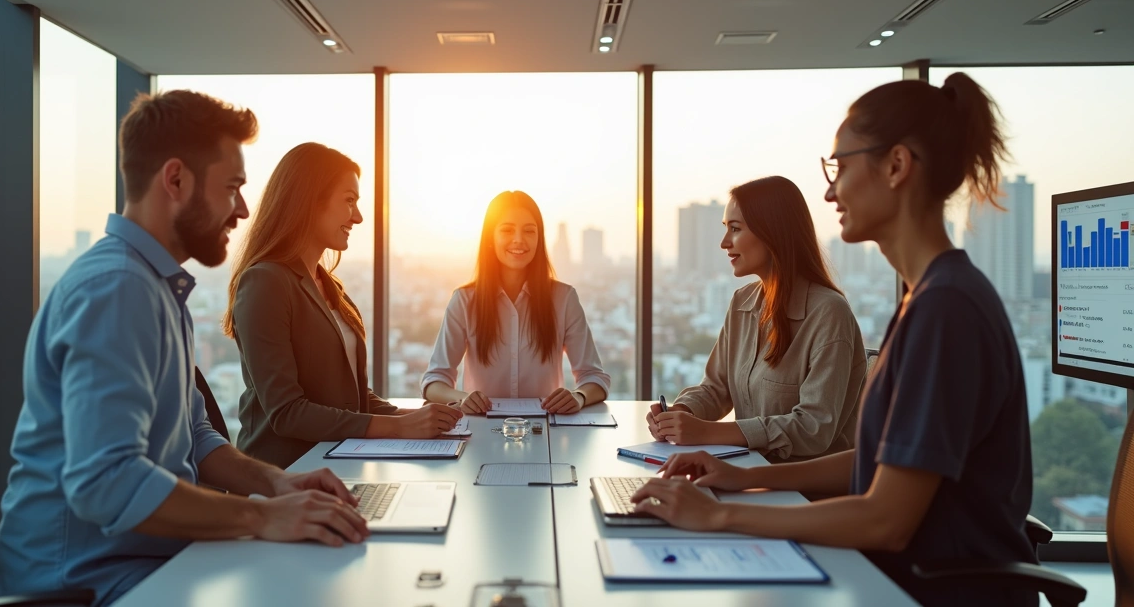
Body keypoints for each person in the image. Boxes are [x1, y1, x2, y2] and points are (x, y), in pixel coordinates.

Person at [631, 73, 1037, 606]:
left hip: (926, 589)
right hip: (892, 573)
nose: (829, 190)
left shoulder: (945, 311)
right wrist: (735, 478)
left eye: (839, 167)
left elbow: (886, 519)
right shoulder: (927, 300)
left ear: (895, 166)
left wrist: (719, 514)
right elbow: (870, 462)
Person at [0, 91, 370, 606]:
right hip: (84, 585)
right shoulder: (116, 289)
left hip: (147, 562)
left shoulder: (157, 286)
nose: (242, 208)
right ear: (175, 180)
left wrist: (279, 484)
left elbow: (194, 437)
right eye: (232, 187)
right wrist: (261, 515)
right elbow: (108, 483)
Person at [223, 143, 460, 468]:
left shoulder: (331, 287)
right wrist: (399, 427)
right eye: (349, 201)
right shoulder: (266, 282)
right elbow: (287, 413)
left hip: (337, 466)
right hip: (285, 477)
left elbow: (352, 398)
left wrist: (416, 417)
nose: (359, 217)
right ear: (309, 202)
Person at [646, 176, 866, 461]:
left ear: (773, 232)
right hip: (748, 473)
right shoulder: (742, 303)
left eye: (735, 229)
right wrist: (681, 413)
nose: (725, 242)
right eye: (726, 229)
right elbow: (716, 388)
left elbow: (814, 428)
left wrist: (708, 432)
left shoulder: (829, 313)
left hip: (801, 491)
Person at [422, 191, 611, 414]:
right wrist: (462, 399)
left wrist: (578, 397)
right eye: (507, 230)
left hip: (546, 432)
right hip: (480, 430)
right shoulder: (465, 300)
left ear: (539, 238)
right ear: (491, 237)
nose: (519, 239)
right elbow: (434, 380)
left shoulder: (564, 298)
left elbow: (595, 377)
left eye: (529, 231)